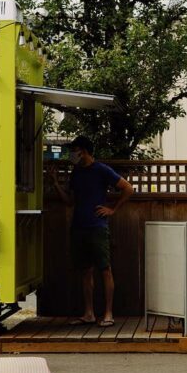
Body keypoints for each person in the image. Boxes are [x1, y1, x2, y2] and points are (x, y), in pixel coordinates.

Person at [48, 135, 134, 327]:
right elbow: (70, 201)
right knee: (85, 271)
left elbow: (128, 188)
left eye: (74, 150)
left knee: (105, 269)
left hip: (97, 227)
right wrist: (55, 183)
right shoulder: (76, 173)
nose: (72, 154)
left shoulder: (101, 170)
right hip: (78, 227)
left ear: (83, 151)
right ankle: (89, 314)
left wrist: (112, 209)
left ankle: (108, 313)